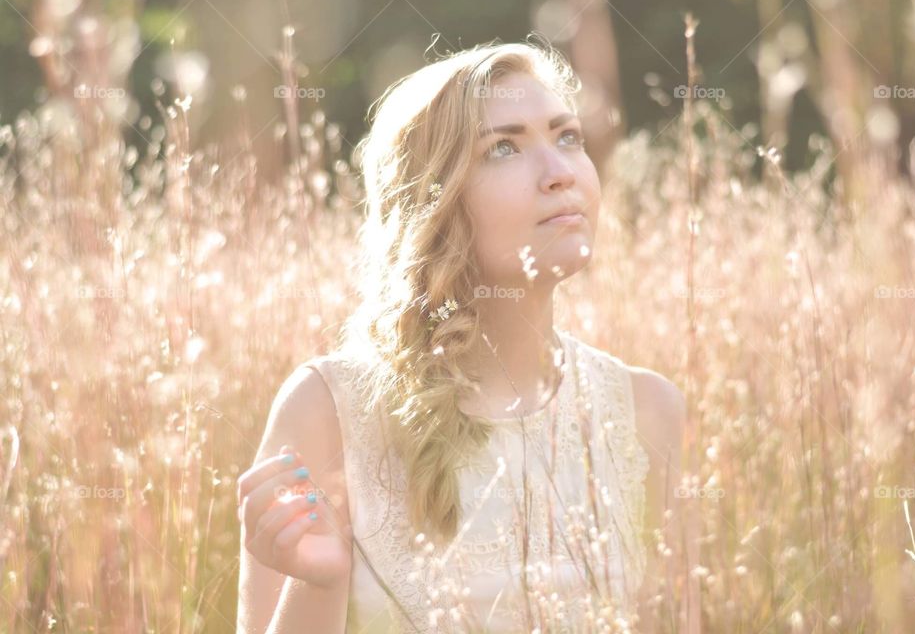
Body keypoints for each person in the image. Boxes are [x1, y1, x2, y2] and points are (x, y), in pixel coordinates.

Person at [236, 39, 686, 633]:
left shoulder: (647, 411)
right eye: (503, 147)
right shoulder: (328, 409)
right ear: (435, 201)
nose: (560, 173)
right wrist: (318, 582)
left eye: (567, 137)